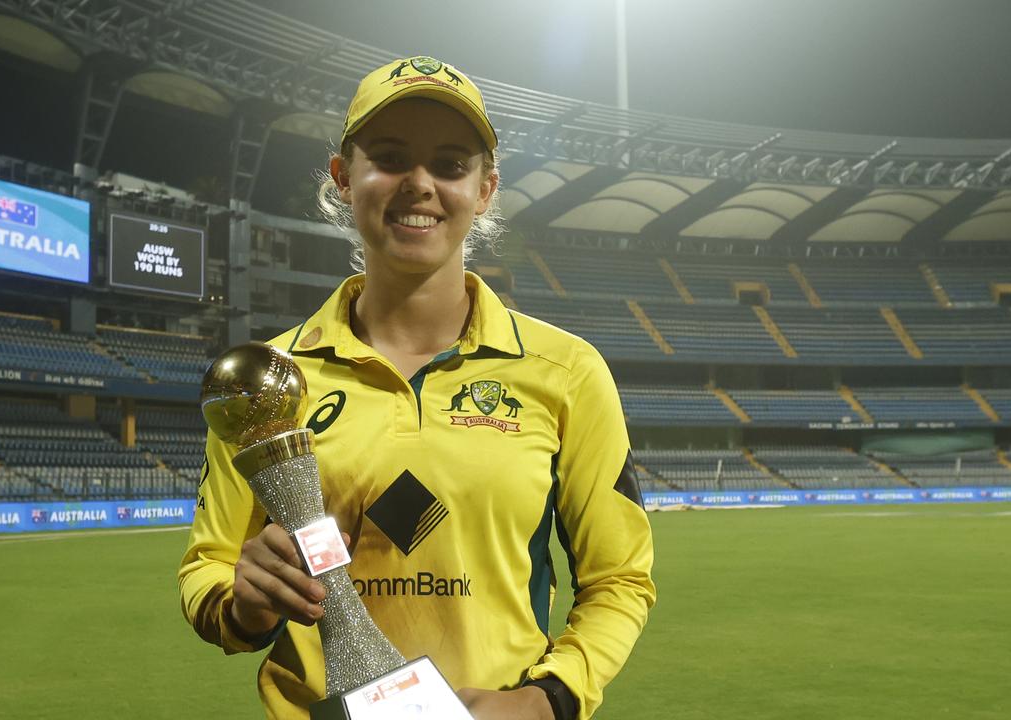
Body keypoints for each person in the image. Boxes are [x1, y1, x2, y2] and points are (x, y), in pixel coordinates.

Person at [179, 55, 655, 720]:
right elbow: (207, 570)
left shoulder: (565, 371)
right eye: (392, 157)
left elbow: (620, 580)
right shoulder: (268, 381)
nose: (420, 184)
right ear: (344, 178)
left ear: (486, 189)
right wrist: (245, 602)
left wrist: (548, 699)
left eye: (452, 164)